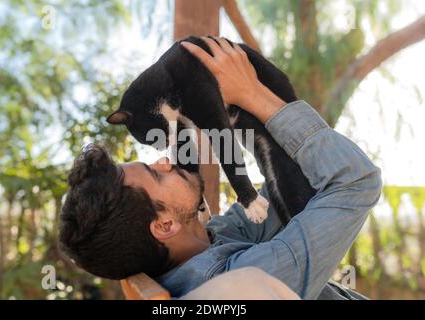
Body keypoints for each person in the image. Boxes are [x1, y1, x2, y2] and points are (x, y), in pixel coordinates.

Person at [59, 36, 382, 300]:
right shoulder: (247, 280)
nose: (167, 160)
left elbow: (299, 182)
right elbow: (355, 181)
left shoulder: (207, 243)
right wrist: (254, 95)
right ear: (165, 225)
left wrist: (239, 113)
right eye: (156, 172)